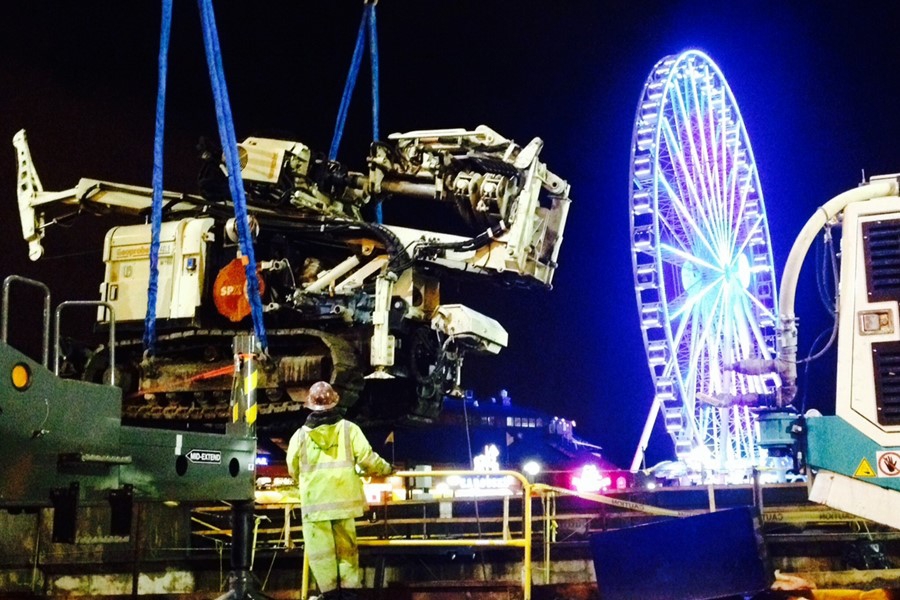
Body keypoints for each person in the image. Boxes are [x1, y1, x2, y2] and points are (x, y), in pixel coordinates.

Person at [287, 381, 392, 600]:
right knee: (347, 554)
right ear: (335, 403)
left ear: (310, 406)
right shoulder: (349, 429)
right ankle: (350, 595)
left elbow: (293, 469)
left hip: (315, 508)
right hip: (344, 505)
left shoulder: (299, 437)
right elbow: (367, 459)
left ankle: (329, 595)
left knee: (322, 557)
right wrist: (387, 469)